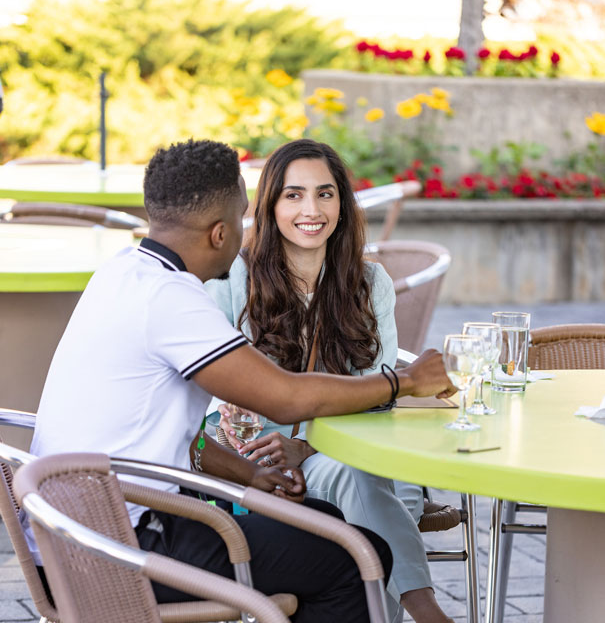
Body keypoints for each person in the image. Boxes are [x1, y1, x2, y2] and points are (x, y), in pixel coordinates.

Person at [26, 139, 456, 623]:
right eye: (241, 218)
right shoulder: (173, 299)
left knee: (333, 528)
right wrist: (404, 382)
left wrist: (251, 475)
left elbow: (176, 433)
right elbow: (286, 397)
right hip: (119, 547)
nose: (244, 234)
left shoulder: (122, 274)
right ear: (218, 233)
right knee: (356, 559)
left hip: (71, 530)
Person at [206, 138, 454, 623]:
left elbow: (380, 396)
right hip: (257, 463)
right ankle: (426, 610)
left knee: (361, 475)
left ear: (342, 203)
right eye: (293, 195)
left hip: (353, 451)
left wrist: (311, 446)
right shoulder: (231, 281)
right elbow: (215, 402)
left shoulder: (368, 283)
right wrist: (275, 454)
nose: (311, 209)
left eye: (325, 193)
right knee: (363, 484)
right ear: (270, 204)